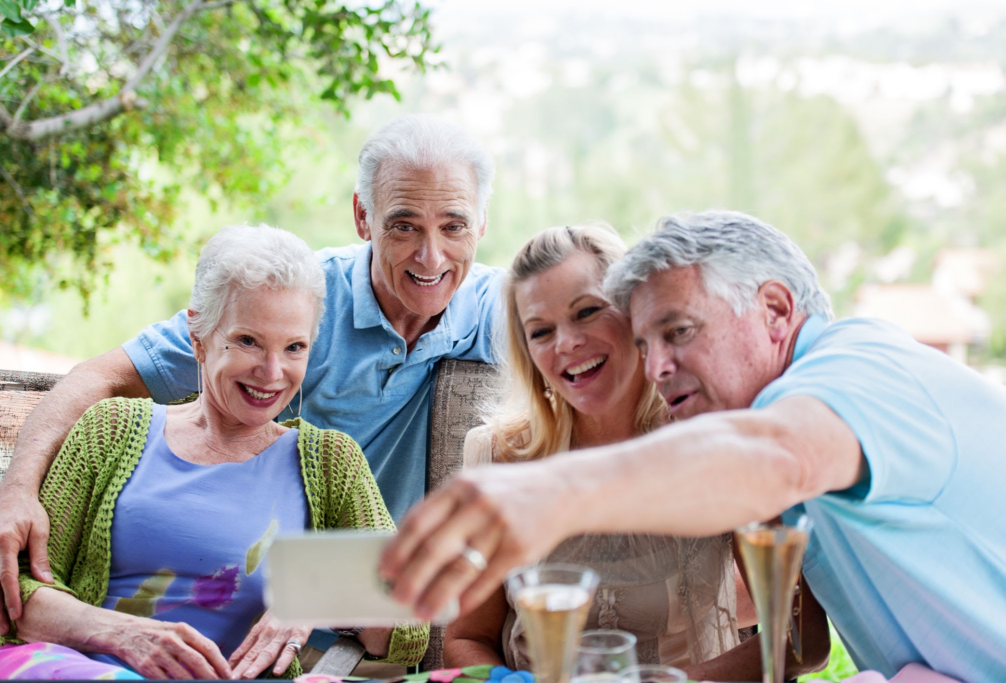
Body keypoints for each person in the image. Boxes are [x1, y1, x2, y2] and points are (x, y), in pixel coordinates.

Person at [379, 210, 1006, 682]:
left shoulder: (860, 370)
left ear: (776, 310)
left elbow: (776, 459)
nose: (657, 366)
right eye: (645, 342)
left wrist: (554, 492)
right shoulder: (781, 440)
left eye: (679, 330)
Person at [0, 114, 502, 634]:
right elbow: (100, 377)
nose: (430, 256)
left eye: (454, 226)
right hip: (221, 605)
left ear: (481, 223)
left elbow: (563, 323)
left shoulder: (494, 309)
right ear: (363, 216)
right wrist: (15, 491)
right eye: (403, 225)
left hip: (353, 619)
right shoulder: (292, 300)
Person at [0, 225, 428, 680]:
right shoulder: (111, 430)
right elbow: (16, 588)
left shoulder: (330, 463)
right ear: (198, 335)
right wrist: (123, 635)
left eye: (294, 347)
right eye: (248, 341)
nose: (272, 372)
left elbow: (410, 627)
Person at [444, 224, 826, 681]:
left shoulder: (713, 440)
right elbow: (467, 638)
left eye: (587, 312)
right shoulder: (499, 456)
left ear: (635, 314)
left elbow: (802, 639)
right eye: (541, 331)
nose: (566, 343)